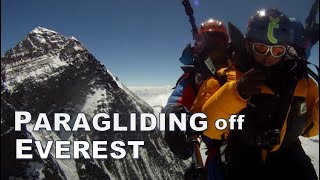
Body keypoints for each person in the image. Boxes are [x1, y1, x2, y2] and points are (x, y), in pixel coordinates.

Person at [199, 8, 319, 180]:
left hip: (290, 158)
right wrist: (236, 92)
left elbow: (308, 130)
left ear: (286, 49)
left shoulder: (300, 80)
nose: (269, 58)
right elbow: (209, 128)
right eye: (261, 48)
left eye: (277, 51)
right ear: (248, 44)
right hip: (244, 158)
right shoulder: (225, 78)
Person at [162, 18, 234, 178]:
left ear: (226, 46)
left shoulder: (240, 69)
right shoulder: (194, 79)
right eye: (207, 44)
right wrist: (173, 117)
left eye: (217, 44)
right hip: (221, 157)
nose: (213, 50)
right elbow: (176, 102)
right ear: (199, 48)